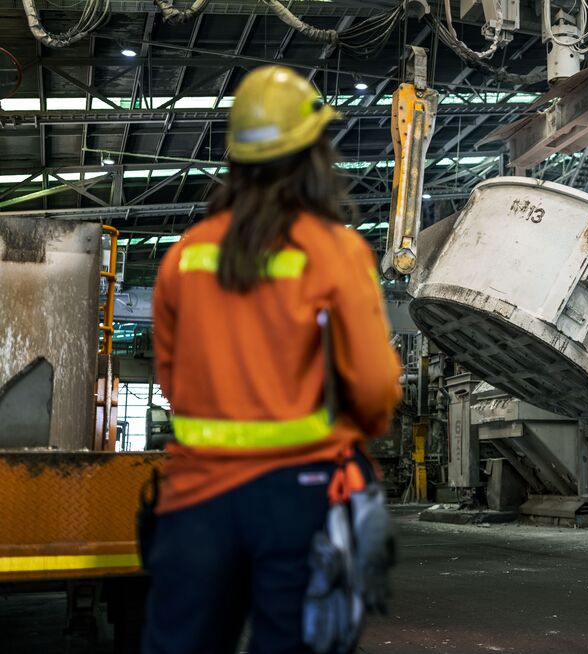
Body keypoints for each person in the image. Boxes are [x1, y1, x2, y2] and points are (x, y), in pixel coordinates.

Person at [144, 65, 402, 654]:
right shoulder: (335, 252)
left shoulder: (185, 255)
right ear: (314, 154)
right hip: (300, 498)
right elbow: (372, 387)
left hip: (194, 500)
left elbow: (171, 382)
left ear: (236, 158)